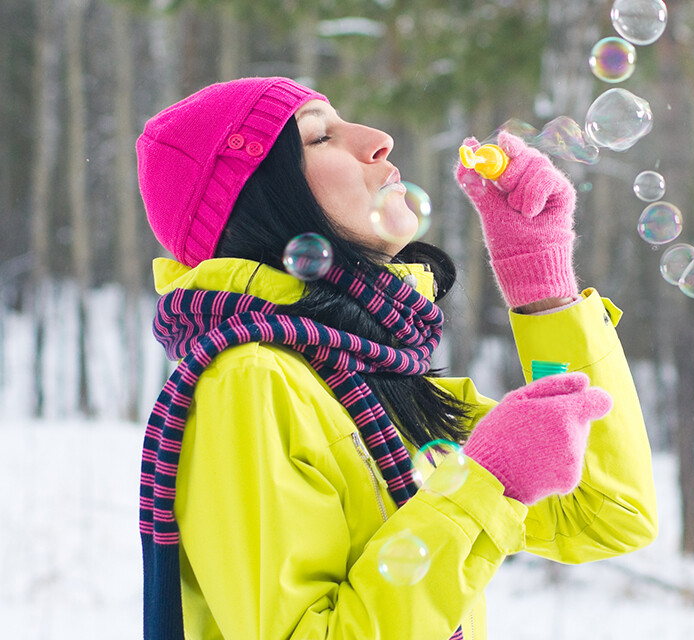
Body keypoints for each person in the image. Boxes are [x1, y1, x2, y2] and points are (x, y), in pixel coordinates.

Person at [135, 76, 657, 640]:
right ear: (261, 203)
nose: (379, 139)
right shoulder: (250, 379)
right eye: (319, 137)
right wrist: (485, 485)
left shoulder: (373, 382)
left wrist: (542, 277)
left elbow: (603, 511)